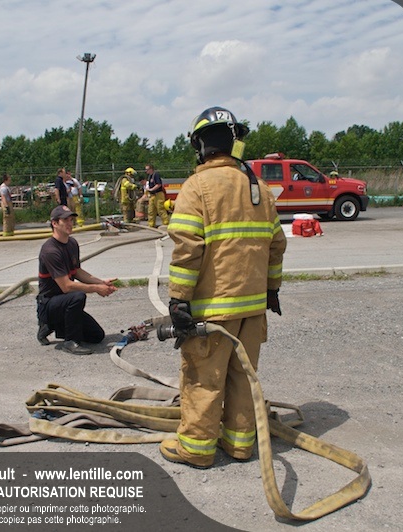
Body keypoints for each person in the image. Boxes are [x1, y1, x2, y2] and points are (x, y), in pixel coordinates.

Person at [160, 106, 287, 468]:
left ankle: (196, 449)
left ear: (200, 145)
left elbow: (187, 249)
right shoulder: (260, 189)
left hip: (212, 312)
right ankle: (239, 445)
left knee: (204, 378)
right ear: (235, 144)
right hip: (253, 311)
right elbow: (277, 245)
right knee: (243, 378)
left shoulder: (196, 187)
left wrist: (179, 301)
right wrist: (271, 289)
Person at [36, 206, 118, 355]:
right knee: (77, 296)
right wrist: (96, 289)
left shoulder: (72, 243)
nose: (70, 223)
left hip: (65, 302)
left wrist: (101, 283)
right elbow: (67, 286)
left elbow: (77, 272)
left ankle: (53, 325)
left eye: (71, 220)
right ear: (54, 223)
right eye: (65, 220)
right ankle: (70, 341)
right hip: (49, 304)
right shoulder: (50, 251)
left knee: (97, 336)